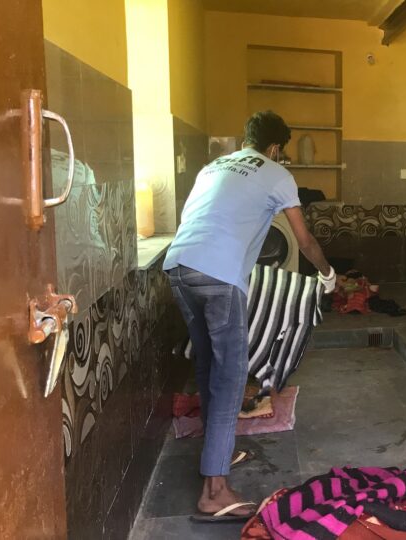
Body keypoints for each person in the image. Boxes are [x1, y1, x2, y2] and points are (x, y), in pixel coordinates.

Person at [163, 111, 336, 519]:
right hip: (220, 275)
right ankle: (215, 490)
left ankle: (216, 456)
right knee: (231, 376)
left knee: (207, 365)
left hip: (178, 265)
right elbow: (303, 238)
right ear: (276, 147)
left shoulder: (213, 167)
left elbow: (196, 218)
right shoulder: (277, 173)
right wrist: (328, 274)